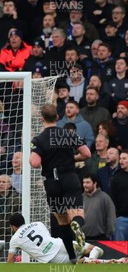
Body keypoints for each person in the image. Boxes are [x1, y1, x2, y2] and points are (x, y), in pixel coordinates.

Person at [30, 104, 90, 263]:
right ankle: (76, 224)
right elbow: (86, 153)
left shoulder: (39, 139)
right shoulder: (67, 134)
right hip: (69, 178)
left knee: (62, 220)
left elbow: (35, 163)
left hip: (52, 183)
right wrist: (72, 158)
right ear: (57, 118)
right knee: (77, 214)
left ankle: (71, 257)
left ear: (42, 118)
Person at [7, 213, 85, 264]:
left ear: (13, 226)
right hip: (59, 244)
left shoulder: (15, 239)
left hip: (50, 257)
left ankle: (88, 260)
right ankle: (92, 253)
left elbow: (10, 261)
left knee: (76, 264)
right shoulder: (38, 224)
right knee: (89, 249)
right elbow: (46, 237)